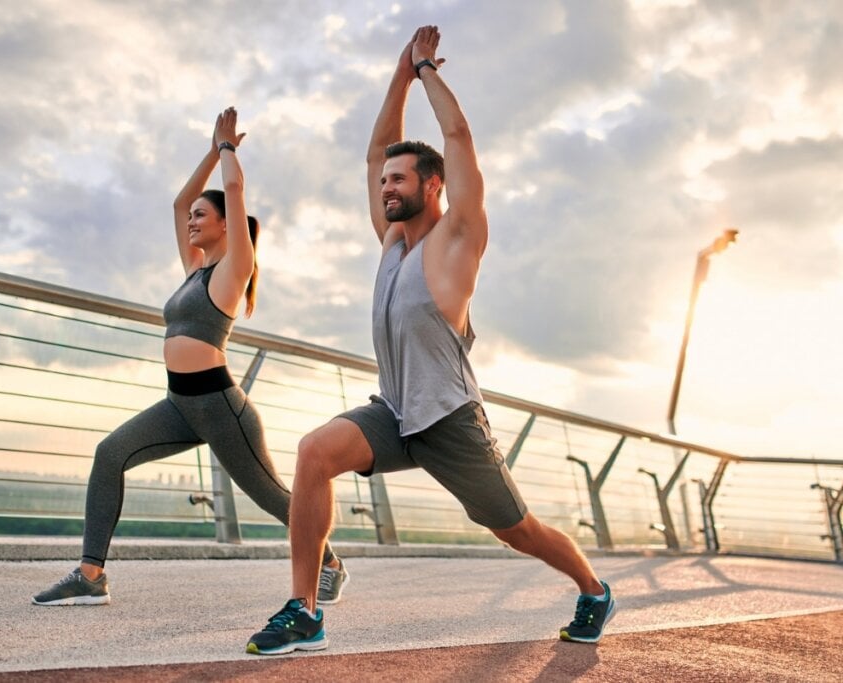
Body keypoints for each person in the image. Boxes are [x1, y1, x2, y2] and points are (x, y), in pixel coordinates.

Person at [245, 27, 615, 655]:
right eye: (385, 180)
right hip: (394, 411)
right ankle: (304, 611)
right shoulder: (392, 243)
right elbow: (373, 154)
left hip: (449, 419)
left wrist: (425, 70)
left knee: (516, 530)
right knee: (314, 453)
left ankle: (593, 589)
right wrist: (398, 76)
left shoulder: (457, 241)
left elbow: (459, 139)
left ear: (433, 185)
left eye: (399, 179)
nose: (386, 187)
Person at [32, 107, 348, 607]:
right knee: (109, 453)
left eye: (205, 215)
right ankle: (90, 574)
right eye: (195, 217)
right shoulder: (195, 270)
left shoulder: (232, 269)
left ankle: (329, 562)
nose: (194, 221)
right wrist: (208, 149)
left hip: (222, 409)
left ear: (227, 225)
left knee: (272, 497)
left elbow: (236, 192)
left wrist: (228, 150)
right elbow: (180, 203)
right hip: (179, 404)